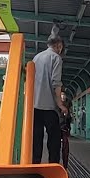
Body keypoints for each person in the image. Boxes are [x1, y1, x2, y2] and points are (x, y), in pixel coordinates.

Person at [30, 35, 69, 164]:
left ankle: (35, 165)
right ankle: (53, 165)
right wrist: (61, 104)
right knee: (54, 139)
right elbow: (56, 83)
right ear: (59, 46)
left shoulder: (37, 57)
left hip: (34, 105)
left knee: (36, 138)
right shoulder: (56, 58)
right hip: (49, 107)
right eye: (61, 48)